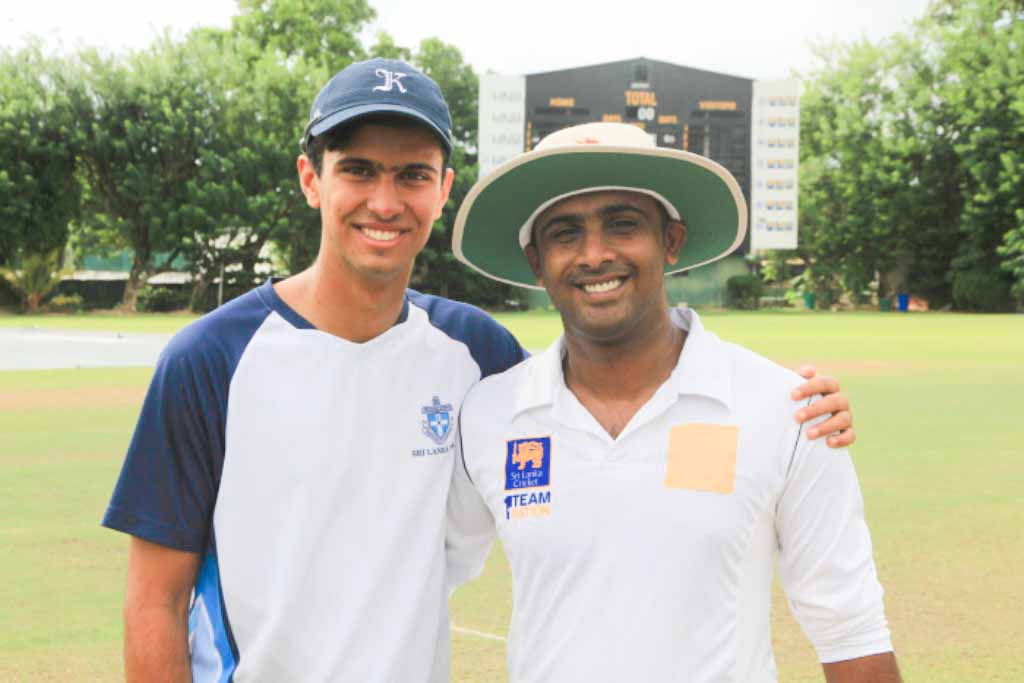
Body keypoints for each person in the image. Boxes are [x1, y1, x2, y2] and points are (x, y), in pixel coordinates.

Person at [102, 60, 856, 682]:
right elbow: (154, 602)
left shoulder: (475, 353)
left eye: (412, 175)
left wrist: (790, 406)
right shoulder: (211, 359)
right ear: (311, 178)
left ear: (442, 189)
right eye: (357, 170)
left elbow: (608, 402)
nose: (384, 202)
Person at [447, 122, 899, 682]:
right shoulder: (490, 414)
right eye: (565, 233)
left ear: (672, 240)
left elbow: (850, 628)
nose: (595, 254)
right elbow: (424, 569)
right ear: (537, 262)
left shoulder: (788, 410)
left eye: (623, 224)